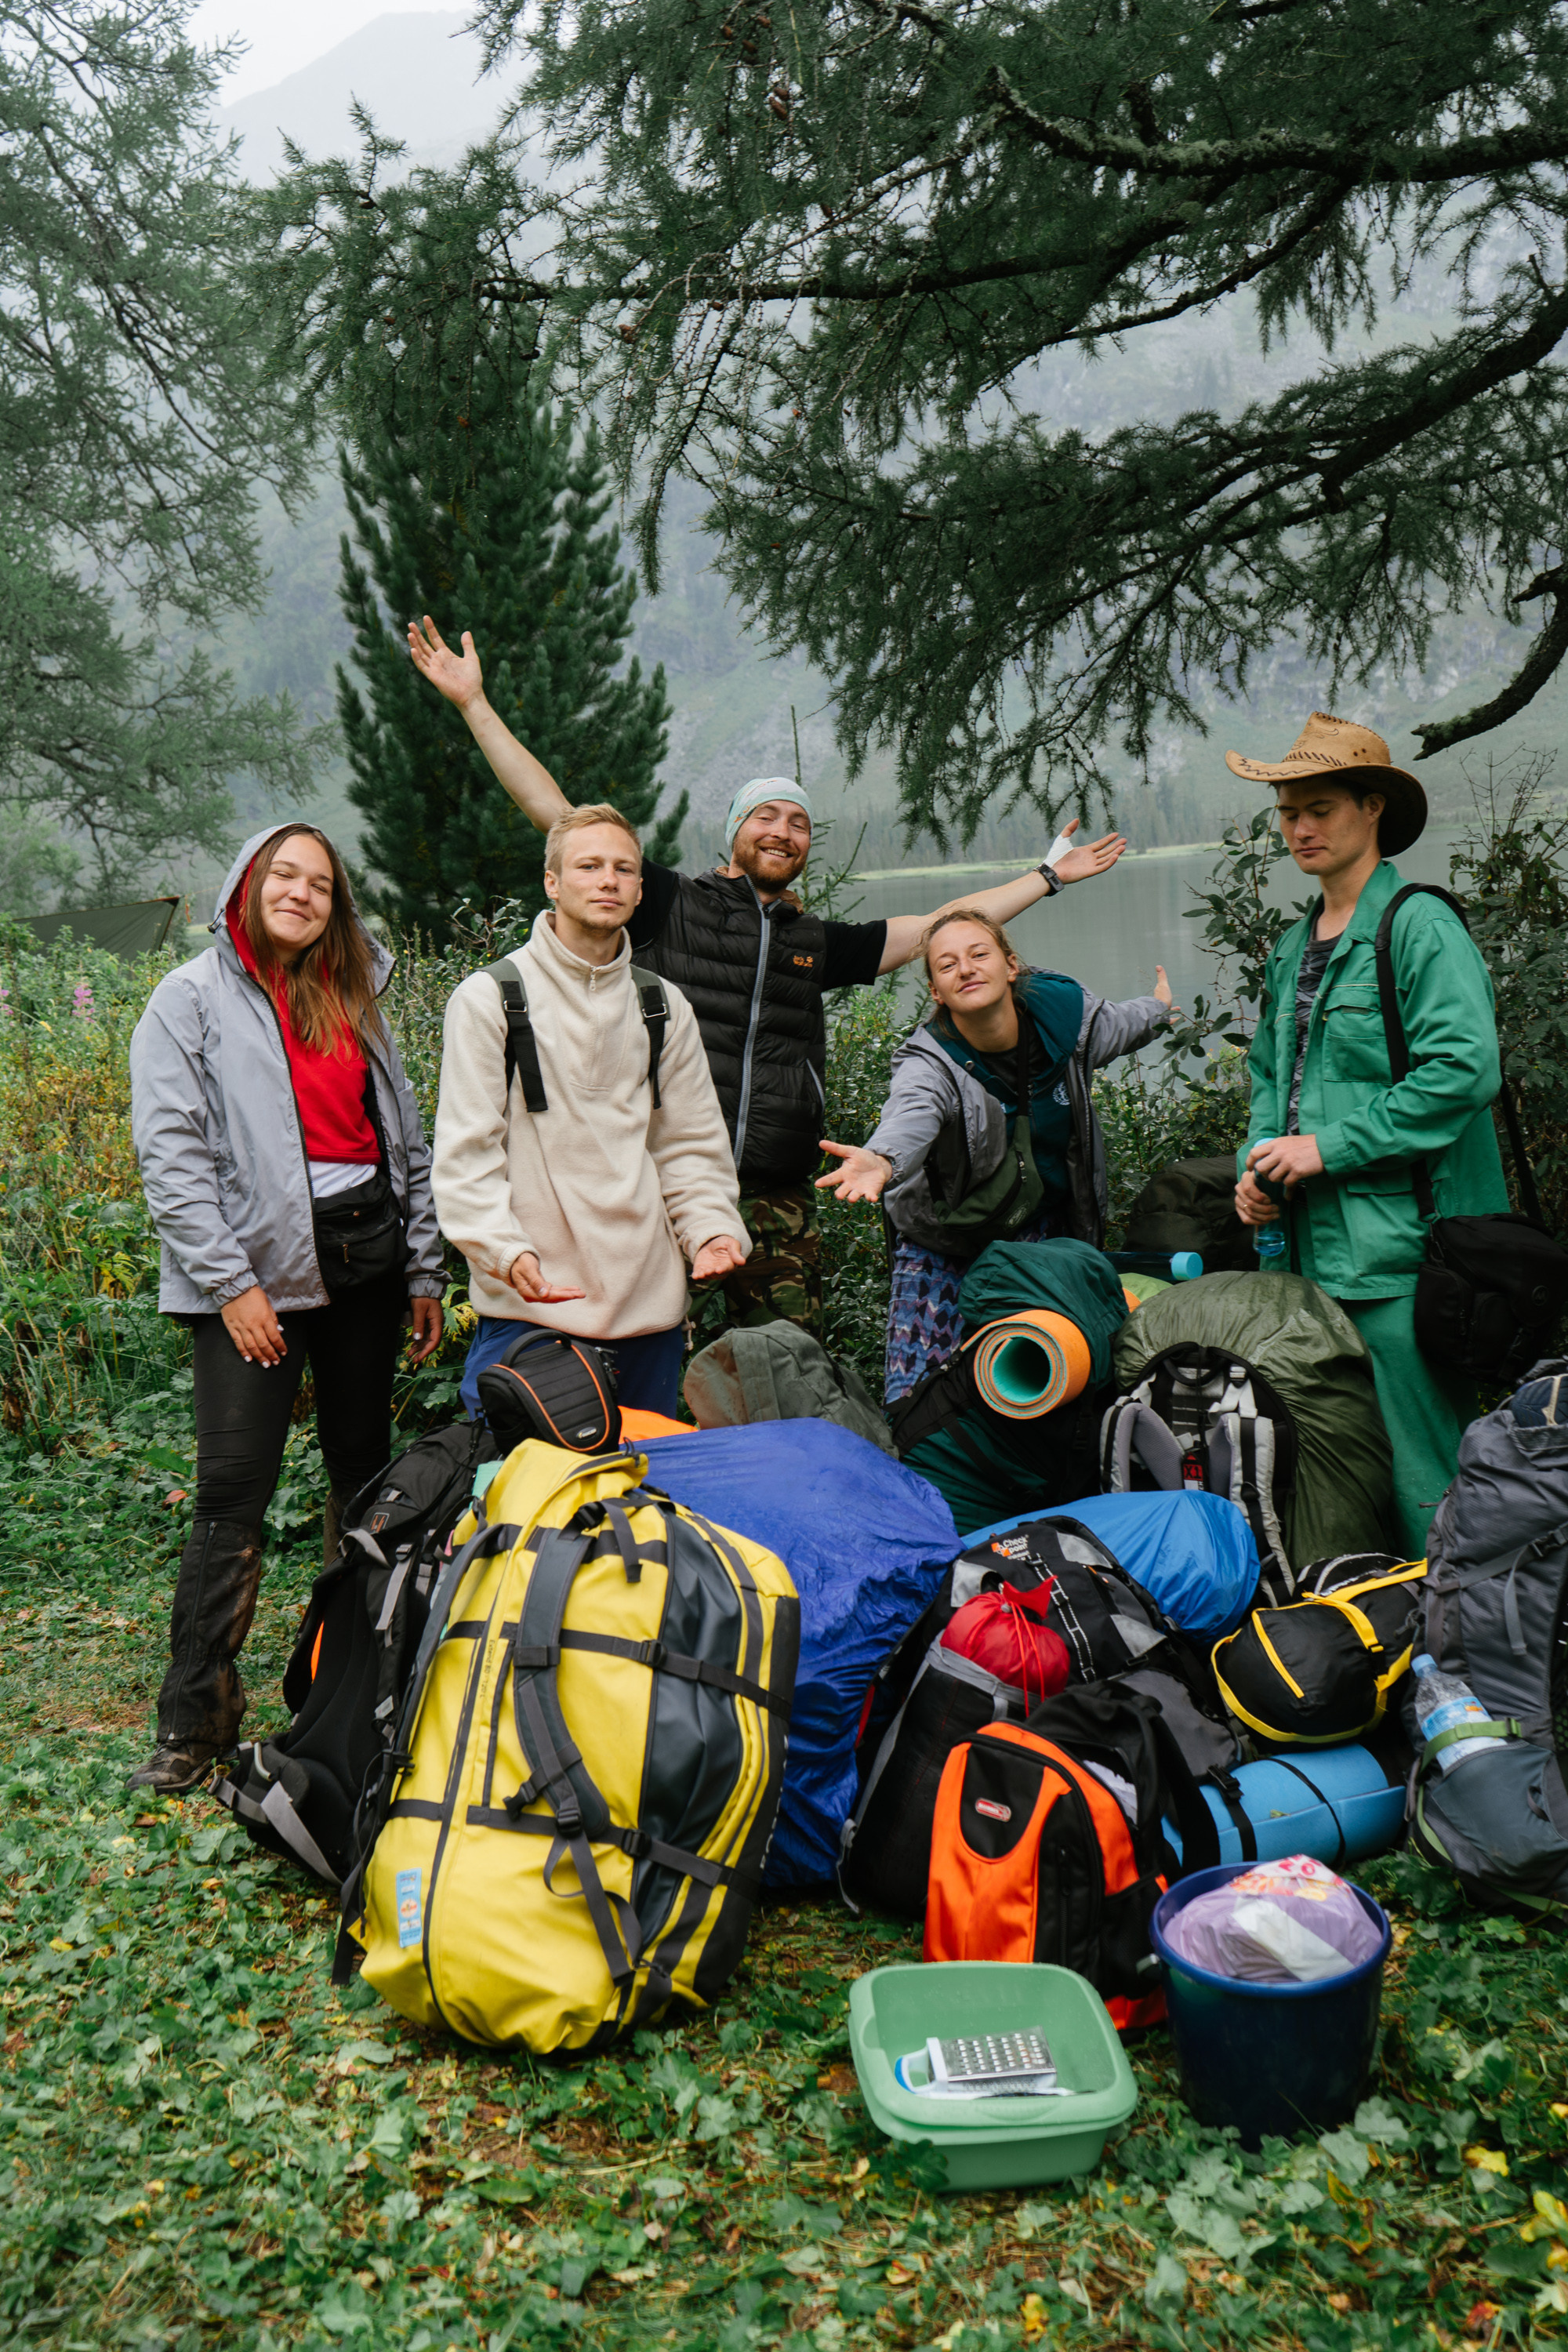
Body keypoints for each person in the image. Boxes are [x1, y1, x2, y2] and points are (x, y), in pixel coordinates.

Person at [406, 615, 1128, 1337]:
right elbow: (559, 817)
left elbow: (941, 928)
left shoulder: (814, 943)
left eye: (799, 822)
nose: (783, 830)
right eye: (765, 816)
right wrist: (475, 704)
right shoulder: (666, 904)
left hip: (776, 1194)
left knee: (785, 1364)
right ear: (735, 831)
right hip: (663, 1188)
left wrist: (1045, 877)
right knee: (647, 1353)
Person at [127, 826, 445, 1795]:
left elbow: (404, 1140)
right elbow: (171, 1156)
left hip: (366, 1262)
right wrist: (232, 1285)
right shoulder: (187, 999)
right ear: (246, 886)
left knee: (361, 1476)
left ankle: (342, 1687)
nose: (302, 894)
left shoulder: (353, 997)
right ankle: (193, 1722)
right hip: (253, 1276)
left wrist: (424, 1269)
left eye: (321, 884)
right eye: (285, 877)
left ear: (336, 905)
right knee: (233, 1491)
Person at [1229, 711, 1508, 1554]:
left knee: (1430, 1473)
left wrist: (1325, 1148)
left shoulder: (1417, 926)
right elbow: (1270, 1082)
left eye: (1319, 808)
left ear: (1371, 809)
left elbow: (1463, 1069)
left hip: (1402, 1256)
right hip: (1310, 1260)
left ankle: (1470, 1655)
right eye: (1286, 814)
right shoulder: (1289, 948)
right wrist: (1255, 1167)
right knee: (1337, 1467)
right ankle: (1375, 1649)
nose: (1300, 828)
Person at [432, 803, 751, 1421]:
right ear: (552, 883)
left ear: (638, 889)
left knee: (639, 1506)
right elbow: (466, 1155)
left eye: (624, 869)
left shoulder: (662, 1004)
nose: (608, 880)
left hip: (650, 1317)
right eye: (590, 865)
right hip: (531, 1311)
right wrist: (505, 1252)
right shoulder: (491, 997)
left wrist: (711, 1230)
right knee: (520, 1504)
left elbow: (688, 1146)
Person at [815, 909, 1175, 1399]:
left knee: (1050, 1384)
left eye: (979, 954)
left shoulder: (1066, 1024)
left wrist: (1158, 1009)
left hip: (1040, 1233)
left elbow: (1122, 1023)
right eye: (947, 965)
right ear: (936, 993)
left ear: (1011, 966)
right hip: (943, 1241)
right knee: (919, 1395)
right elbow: (911, 1114)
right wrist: (881, 1159)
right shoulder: (930, 1062)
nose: (965, 968)